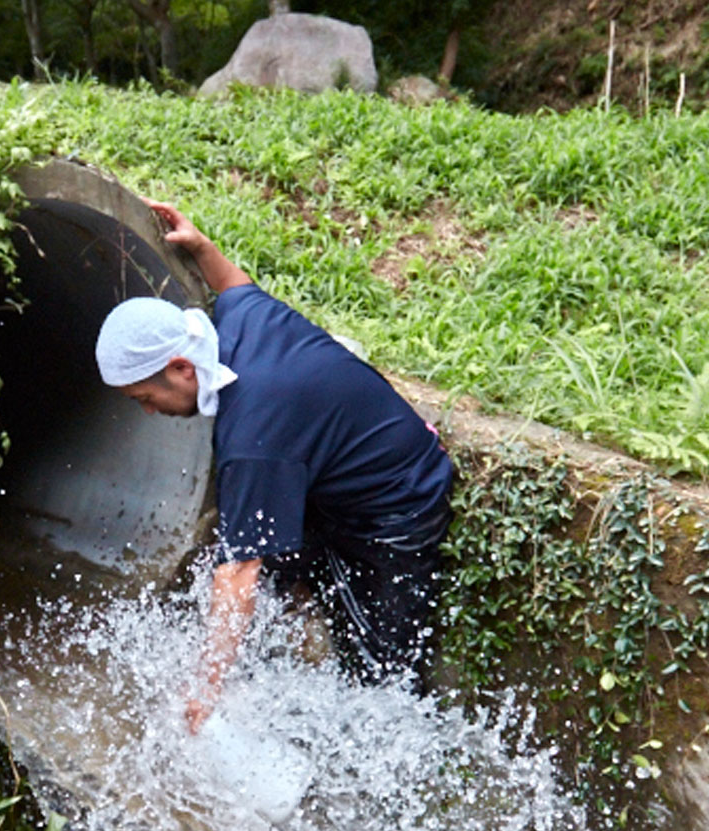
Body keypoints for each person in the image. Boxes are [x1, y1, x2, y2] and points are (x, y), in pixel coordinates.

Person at [95, 200, 454, 735]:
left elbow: (239, 574)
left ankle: (397, 749)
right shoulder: (238, 320)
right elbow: (234, 282)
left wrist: (206, 690)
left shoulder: (251, 439)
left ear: (180, 367)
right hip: (331, 480)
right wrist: (200, 246)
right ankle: (287, 642)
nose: (149, 410)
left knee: (381, 674)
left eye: (146, 396)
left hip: (398, 505)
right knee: (257, 569)